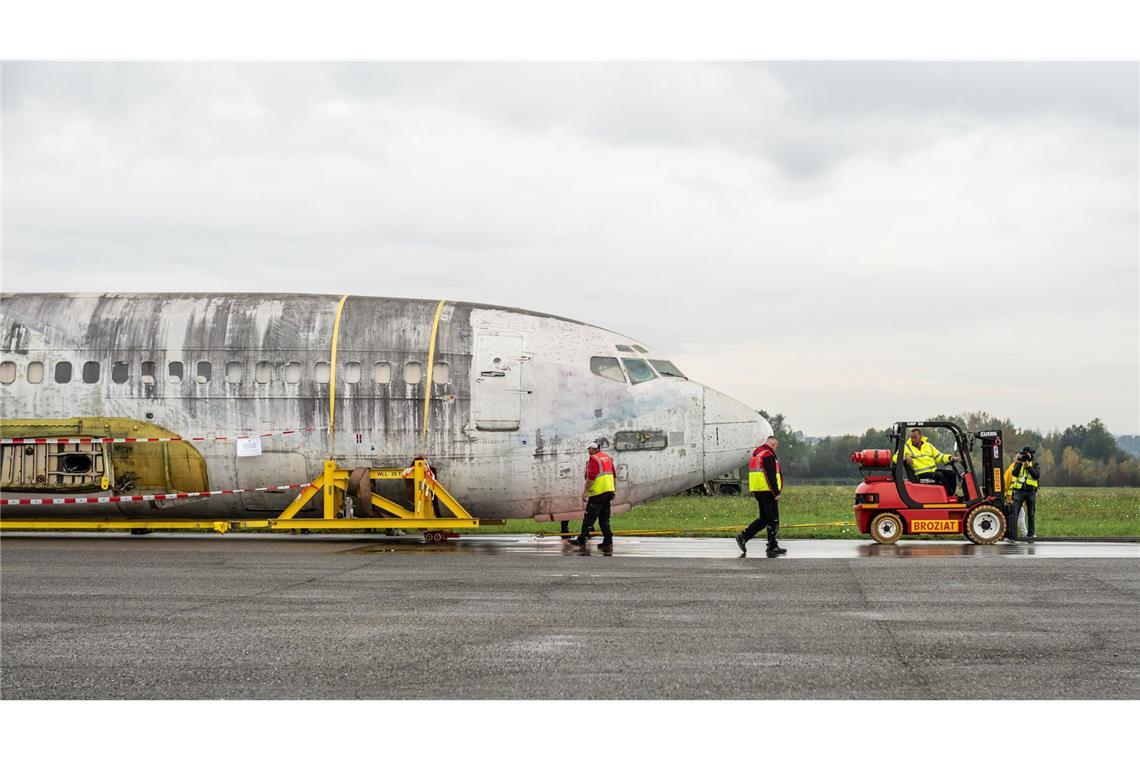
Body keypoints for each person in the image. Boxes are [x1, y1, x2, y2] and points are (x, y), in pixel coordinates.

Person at [735, 435, 786, 557]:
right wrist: (776, 492)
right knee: (773, 519)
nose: (775, 449)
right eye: (775, 446)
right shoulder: (767, 454)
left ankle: (748, 538)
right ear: (773, 445)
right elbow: (770, 476)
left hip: (759, 490)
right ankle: (769, 545)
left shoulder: (757, 454)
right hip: (767, 491)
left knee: (764, 519)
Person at [569, 441, 616, 549]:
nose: (588, 451)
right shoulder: (607, 458)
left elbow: (591, 479)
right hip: (608, 492)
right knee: (604, 518)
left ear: (594, 449)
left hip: (597, 493)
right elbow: (613, 475)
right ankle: (608, 541)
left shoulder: (594, 459)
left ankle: (581, 540)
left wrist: (585, 492)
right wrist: (613, 490)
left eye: (589, 449)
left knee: (589, 517)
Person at [892, 428, 960, 498]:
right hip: (920, 474)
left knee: (951, 474)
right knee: (940, 476)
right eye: (912, 437)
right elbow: (895, 458)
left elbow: (939, 456)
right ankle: (949, 495)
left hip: (933, 471)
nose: (912, 439)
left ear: (920, 437)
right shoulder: (906, 447)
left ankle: (951, 494)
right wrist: (905, 456)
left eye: (915, 438)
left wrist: (950, 458)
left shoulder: (928, 446)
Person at [1008, 447, 1041, 542]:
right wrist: (1019, 463)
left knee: (1031, 513)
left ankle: (1031, 535)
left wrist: (1029, 467)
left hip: (1031, 491)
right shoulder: (1019, 463)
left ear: (1031, 454)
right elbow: (1014, 474)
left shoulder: (1035, 464)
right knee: (1015, 513)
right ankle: (1012, 536)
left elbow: (1036, 475)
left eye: (1027, 454)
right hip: (1019, 491)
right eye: (1024, 454)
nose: (1025, 456)